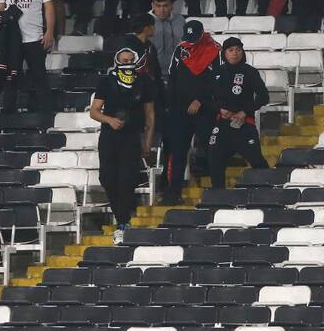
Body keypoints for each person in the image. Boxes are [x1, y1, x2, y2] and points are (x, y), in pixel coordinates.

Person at [89, 47, 155, 244]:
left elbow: (150, 114)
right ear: (117, 61)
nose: (127, 63)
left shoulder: (144, 82)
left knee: (127, 179)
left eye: (130, 59)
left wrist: (148, 141)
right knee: (107, 178)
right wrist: (109, 120)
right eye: (123, 60)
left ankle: (123, 223)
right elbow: (94, 111)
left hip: (132, 136)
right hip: (110, 136)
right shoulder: (107, 81)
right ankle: (121, 218)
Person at [162, 20, 221, 204]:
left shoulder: (215, 50)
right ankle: (173, 194)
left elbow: (218, 80)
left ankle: (219, 190)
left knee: (212, 149)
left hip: (205, 111)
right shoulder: (180, 50)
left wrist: (201, 100)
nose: (191, 43)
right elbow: (172, 77)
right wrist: (170, 105)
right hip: (179, 112)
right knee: (178, 152)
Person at [208, 37, 269, 189]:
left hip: (245, 123)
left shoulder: (250, 72)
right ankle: (218, 195)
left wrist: (244, 112)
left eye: (238, 50)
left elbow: (264, 97)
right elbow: (207, 98)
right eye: (230, 50)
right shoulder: (216, 73)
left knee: (257, 161)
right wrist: (219, 109)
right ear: (224, 53)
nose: (234, 53)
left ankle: (266, 192)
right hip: (222, 123)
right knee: (214, 158)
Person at [150, 0, 184, 84]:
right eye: (158, 6)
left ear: (171, 6)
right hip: (153, 75)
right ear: (152, 5)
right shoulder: (146, 22)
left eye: (165, 6)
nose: (162, 10)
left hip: (178, 74)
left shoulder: (180, 20)